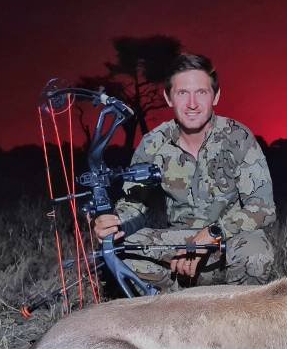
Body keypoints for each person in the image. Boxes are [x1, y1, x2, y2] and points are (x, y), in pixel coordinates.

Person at [93, 53, 275, 288]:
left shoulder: (238, 137)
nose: (192, 104)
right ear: (168, 98)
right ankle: (172, 305)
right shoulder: (153, 143)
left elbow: (263, 208)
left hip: (226, 242)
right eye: (182, 93)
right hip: (178, 247)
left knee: (257, 252)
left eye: (201, 92)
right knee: (115, 250)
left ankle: (237, 316)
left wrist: (212, 233)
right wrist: (114, 225)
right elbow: (134, 205)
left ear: (216, 96)